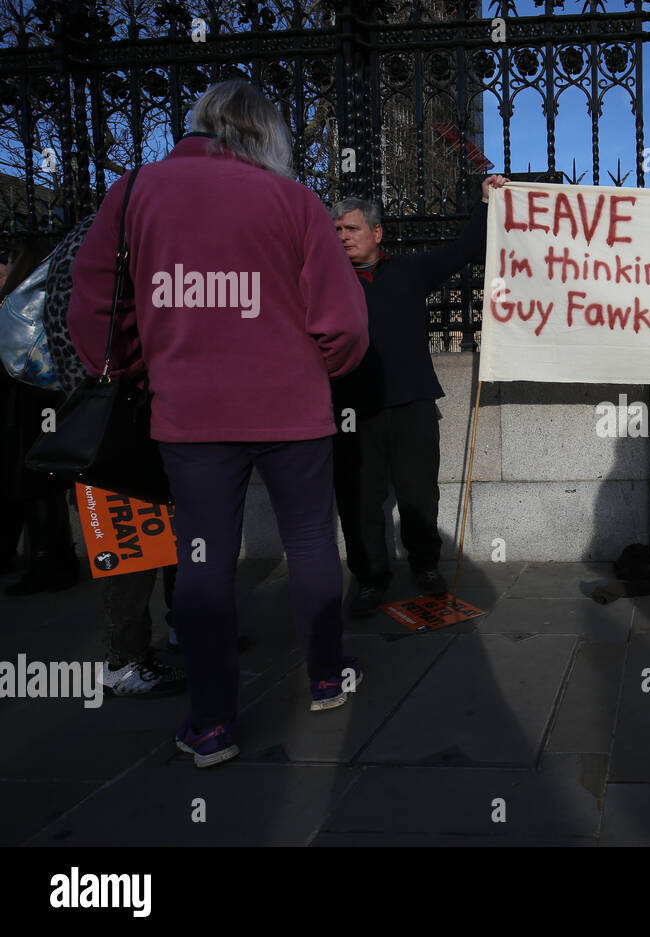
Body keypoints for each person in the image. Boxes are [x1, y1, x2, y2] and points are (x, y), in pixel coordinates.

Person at [68, 79, 369, 766]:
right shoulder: (293, 201)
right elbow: (345, 321)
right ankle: (325, 676)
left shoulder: (135, 190)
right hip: (292, 406)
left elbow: (92, 308)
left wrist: (136, 364)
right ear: (268, 135)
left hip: (189, 408)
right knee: (312, 541)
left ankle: (210, 724)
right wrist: (325, 366)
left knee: (202, 559)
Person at [329, 174, 507, 617]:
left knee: (418, 494)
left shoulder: (409, 271)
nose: (343, 237)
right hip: (351, 411)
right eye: (337, 231)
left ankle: (425, 568)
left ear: (376, 233)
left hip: (412, 405)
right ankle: (370, 578)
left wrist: (486, 202)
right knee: (359, 499)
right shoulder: (324, 284)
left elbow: (464, 250)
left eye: (351, 229)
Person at [0, 237, 80, 594]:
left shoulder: (24, 304)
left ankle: (51, 562)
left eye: (6, 259)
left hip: (34, 403)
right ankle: (48, 559)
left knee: (37, 482)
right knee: (35, 481)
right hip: (34, 403)